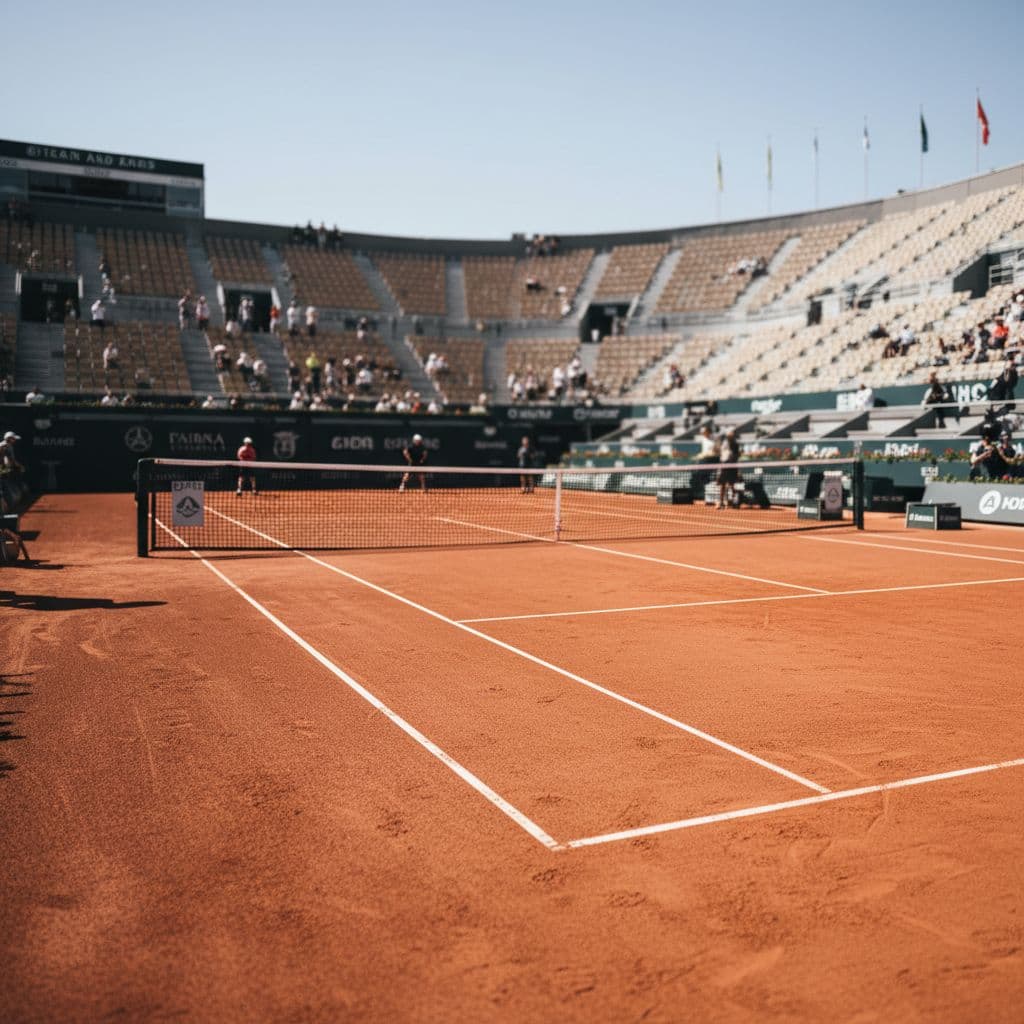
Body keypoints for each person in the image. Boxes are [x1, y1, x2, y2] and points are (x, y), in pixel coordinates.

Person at [717, 429, 741, 509]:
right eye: (729, 434)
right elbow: (721, 454)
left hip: (732, 466)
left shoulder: (735, 444)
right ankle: (721, 502)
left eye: (732, 434)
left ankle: (734, 501)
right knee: (722, 485)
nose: (731, 435)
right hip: (724, 465)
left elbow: (737, 455)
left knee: (732, 484)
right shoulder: (723, 443)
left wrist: (732, 458)